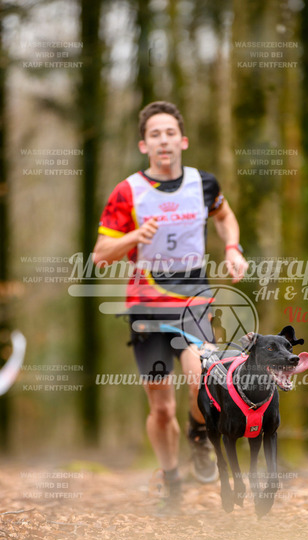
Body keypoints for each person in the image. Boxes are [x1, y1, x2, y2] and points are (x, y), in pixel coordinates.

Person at [93, 101, 247, 506]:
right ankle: (172, 480)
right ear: (144, 145)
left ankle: (199, 434)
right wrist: (133, 237)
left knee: (202, 382)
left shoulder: (204, 184)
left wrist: (232, 247)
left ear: (183, 141)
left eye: (169, 133)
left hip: (193, 302)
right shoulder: (127, 191)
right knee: (161, 408)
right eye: (155, 134)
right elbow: (100, 255)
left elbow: (224, 216)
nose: (163, 140)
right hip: (146, 308)